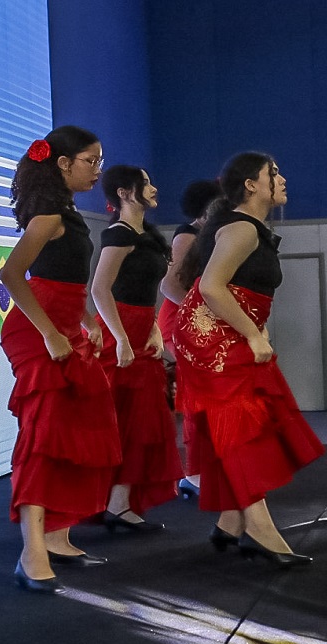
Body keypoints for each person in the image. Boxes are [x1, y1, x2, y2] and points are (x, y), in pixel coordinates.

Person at [174, 152, 325, 568]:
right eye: (272, 173)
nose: (281, 178)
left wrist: (254, 327)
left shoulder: (248, 227)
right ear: (250, 185)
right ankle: (259, 527)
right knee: (239, 426)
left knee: (240, 423)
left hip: (222, 331)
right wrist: (252, 332)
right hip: (210, 337)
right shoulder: (240, 227)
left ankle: (230, 522)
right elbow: (210, 287)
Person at [0, 126, 121, 594]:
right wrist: (50, 332)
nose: (98, 170)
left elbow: (64, 279)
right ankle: (31, 551)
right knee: (43, 436)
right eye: (91, 161)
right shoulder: (48, 216)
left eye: (99, 161)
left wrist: (87, 318)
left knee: (74, 429)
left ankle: (56, 535)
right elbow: (12, 274)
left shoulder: (63, 212)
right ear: (63, 164)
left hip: (64, 328)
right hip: (38, 334)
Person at [91, 165, 183, 531]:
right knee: (120, 420)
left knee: (141, 421)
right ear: (126, 193)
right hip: (119, 334)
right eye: (147, 184)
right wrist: (123, 339)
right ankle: (111, 502)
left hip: (140, 330)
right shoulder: (118, 234)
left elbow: (154, 291)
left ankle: (118, 501)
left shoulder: (145, 235)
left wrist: (156, 330)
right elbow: (100, 290)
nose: (155, 188)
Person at [160, 180, 222, 499]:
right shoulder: (188, 234)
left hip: (198, 318)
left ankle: (203, 470)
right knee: (196, 395)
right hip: (183, 319)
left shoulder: (209, 234)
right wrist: (200, 313)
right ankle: (194, 474)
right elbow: (169, 286)